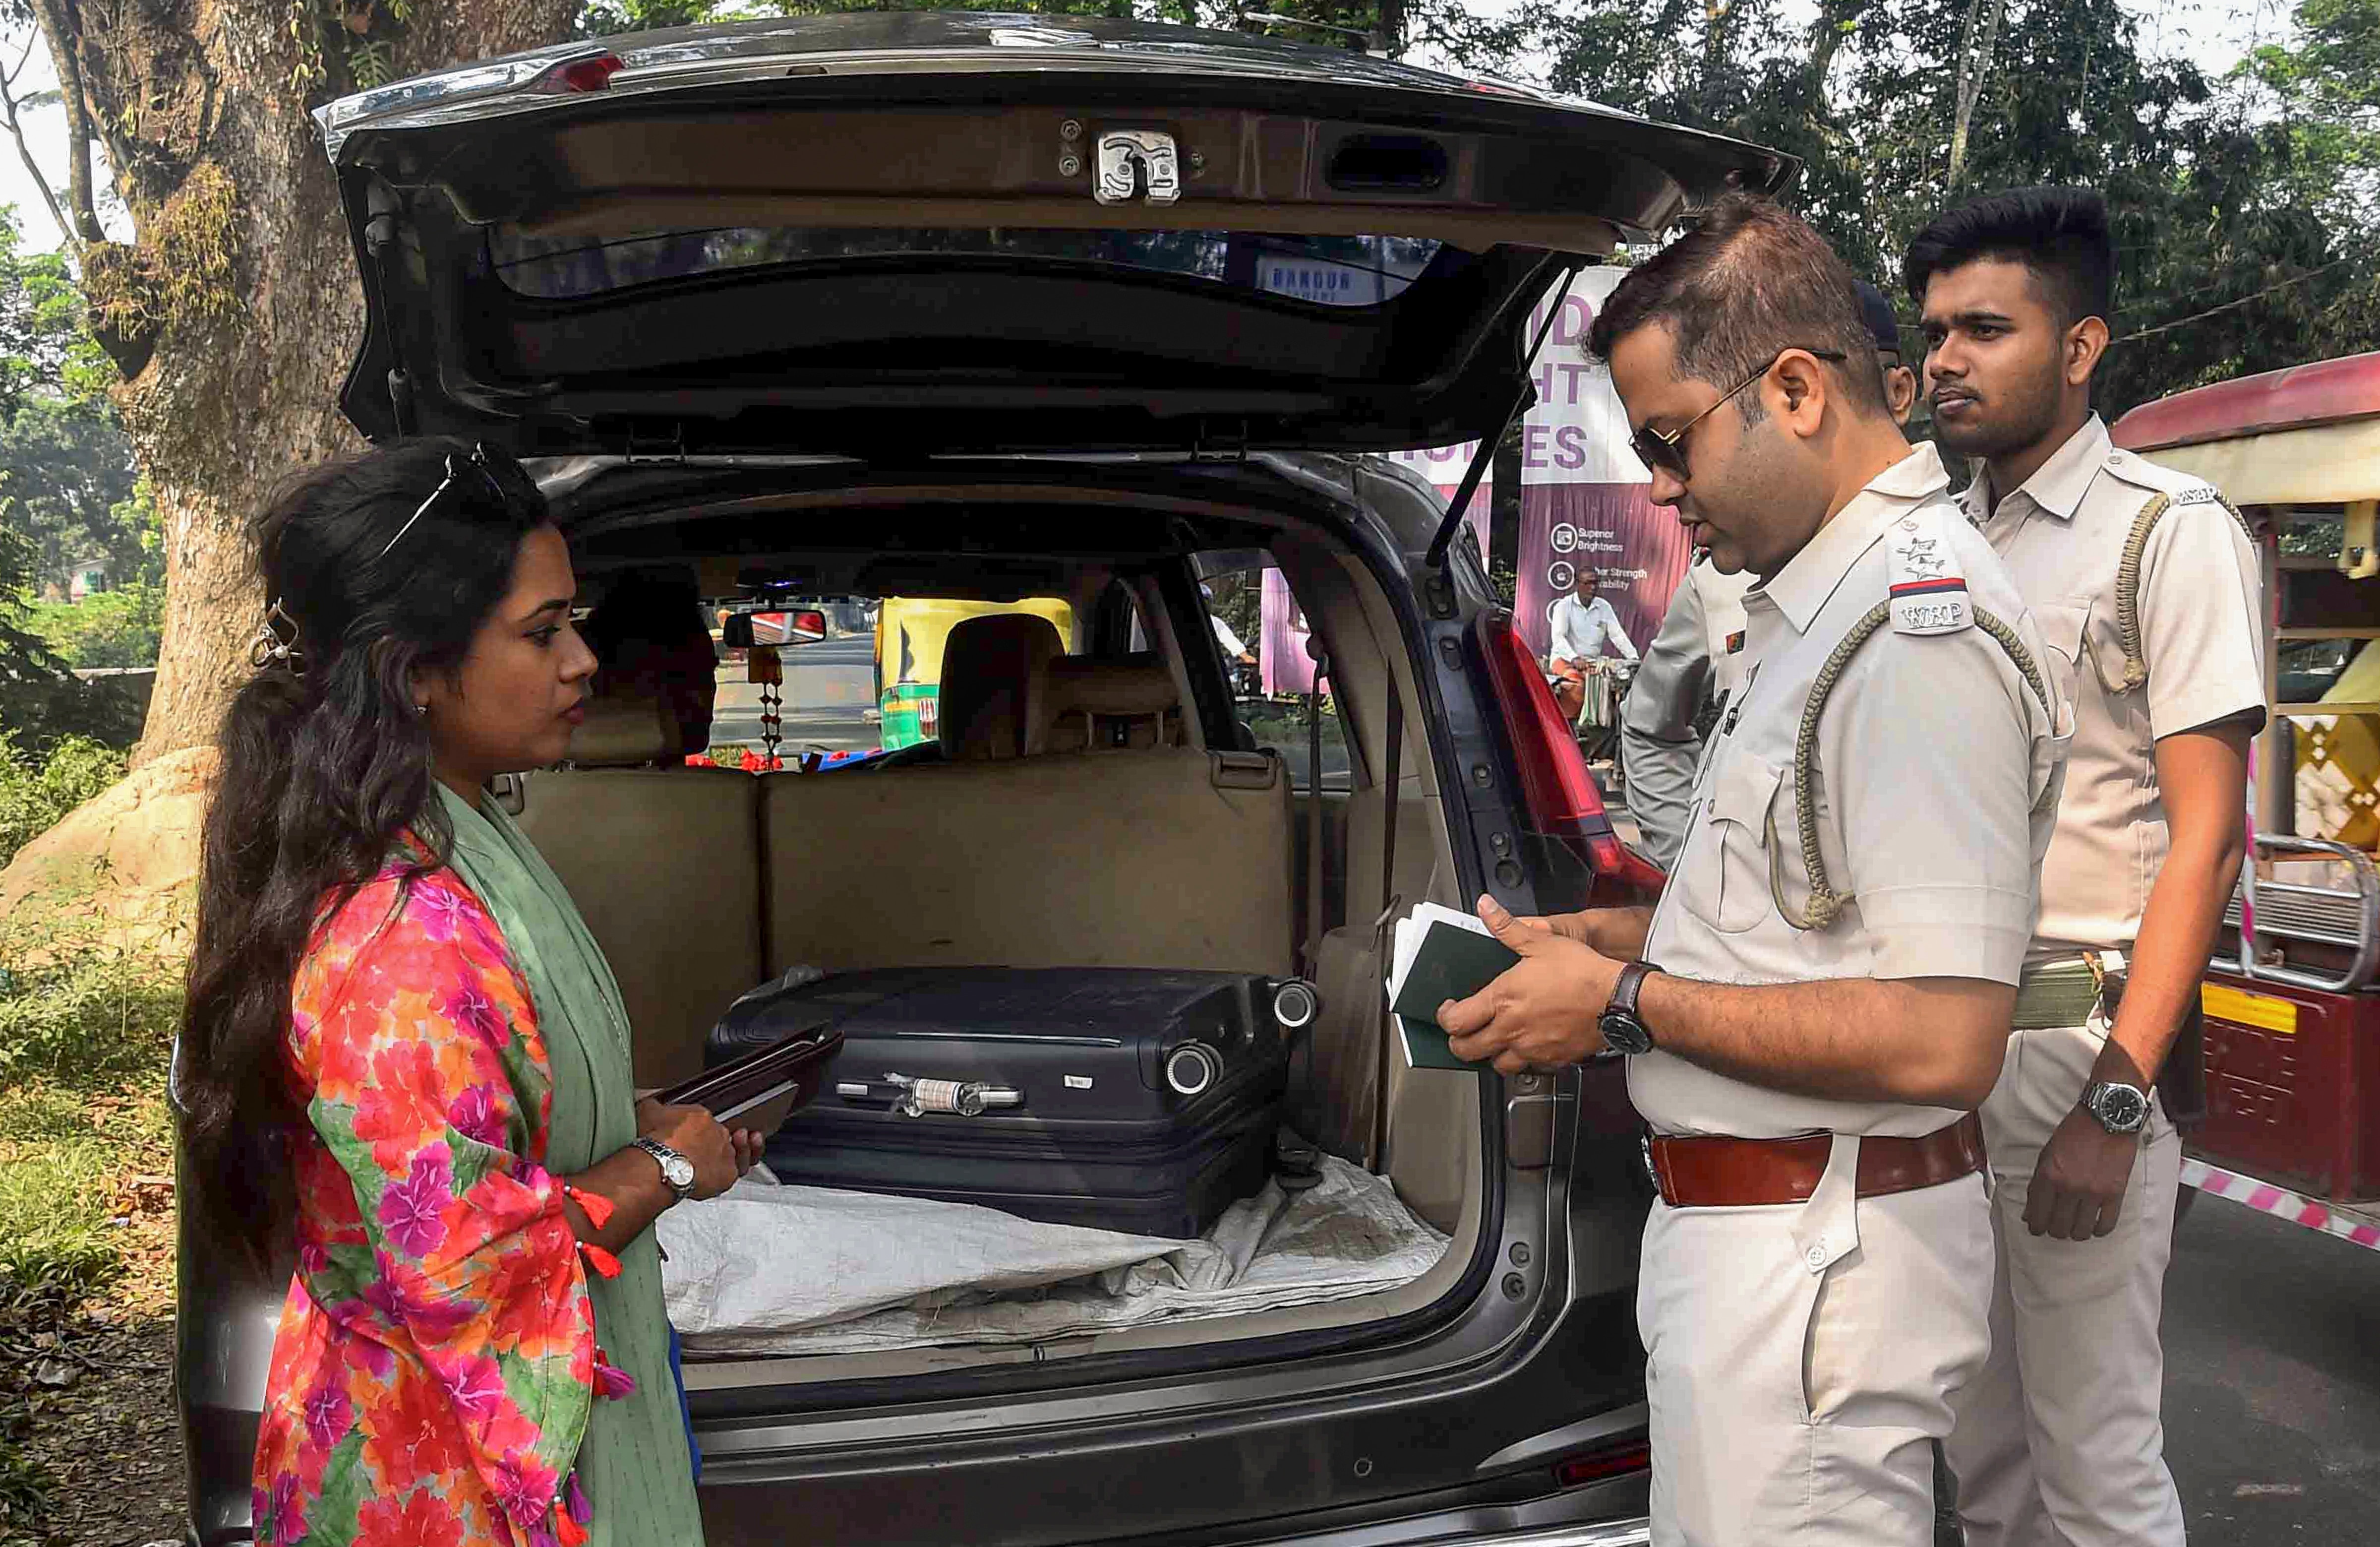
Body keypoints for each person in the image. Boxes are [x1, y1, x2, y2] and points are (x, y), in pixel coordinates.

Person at [1433, 194, 2068, 1545]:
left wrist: (1622, 1005)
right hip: (1774, 1251)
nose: (1663, 489)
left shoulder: (1914, 634)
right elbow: (1812, 922)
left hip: (1812, 1269)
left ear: (1793, 389)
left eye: (1670, 443)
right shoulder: (1818, 612)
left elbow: (1944, 1038)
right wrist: (1626, 942)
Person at [176, 440, 766, 1547]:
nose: (585, 660)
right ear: (414, 669)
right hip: (435, 1478)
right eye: (543, 633)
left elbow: (468, 1127)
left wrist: (614, 1121)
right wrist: (670, 1162)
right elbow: (468, 1262)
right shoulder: (399, 933)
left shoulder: (456, 836)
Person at [1911, 186, 2261, 1547]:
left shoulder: (2166, 533)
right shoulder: (1930, 541)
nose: (1947, 355)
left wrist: (2115, 1105)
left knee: (2096, 1463)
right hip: (1938, 1050)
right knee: (1983, 1455)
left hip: (2081, 1042)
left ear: (2080, 345)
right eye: (1938, 329)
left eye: (1986, 327)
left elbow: (2204, 839)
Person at [1621, 278, 1915, 867]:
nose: (1662, 487)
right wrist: (1689, 868)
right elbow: (1651, 726)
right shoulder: (1720, 575)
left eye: (1673, 444)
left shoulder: (1933, 583)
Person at [583, 572, 720, 754]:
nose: (704, 695)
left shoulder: (541, 782)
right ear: (602, 684)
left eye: (706, 674)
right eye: (677, 677)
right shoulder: (727, 784)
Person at [1546, 568, 1638, 721]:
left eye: (1595, 583)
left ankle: (1600, 734)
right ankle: (1567, 728)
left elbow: (1618, 635)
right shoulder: (1564, 606)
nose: (1593, 588)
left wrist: (1634, 659)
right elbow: (1558, 638)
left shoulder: (1603, 606)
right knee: (1575, 685)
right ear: (1577, 584)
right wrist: (1574, 658)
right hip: (1564, 661)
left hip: (1592, 664)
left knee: (1614, 688)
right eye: (1587, 583)